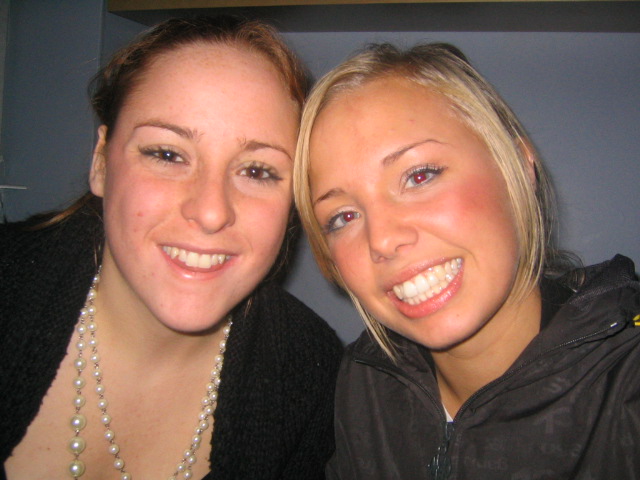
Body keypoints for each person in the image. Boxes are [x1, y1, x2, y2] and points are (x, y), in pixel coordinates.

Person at [1, 15, 342, 480]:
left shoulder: (309, 375)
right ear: (101, 162)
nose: (211, 212)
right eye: (167, 154)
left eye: (257, 171)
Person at [294, 42, 640, 479]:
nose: (382, 239)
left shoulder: (625, 386)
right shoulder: (364, 384)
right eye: (343, 216)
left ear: (519, 165)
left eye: (419, 176)